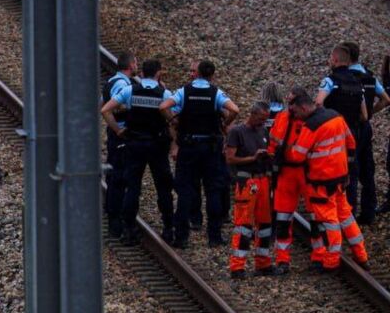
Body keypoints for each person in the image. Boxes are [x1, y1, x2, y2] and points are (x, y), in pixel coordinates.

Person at [159, 60, 240, 248]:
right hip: (210, 148)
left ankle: (182, 236)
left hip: (188, 146)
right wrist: (225, 124)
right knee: (213, 191)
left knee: (185, 190)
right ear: (211, 75)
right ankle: (214, 236)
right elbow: (235, 109)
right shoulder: (215, 93)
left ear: (197, 73)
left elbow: (163, 106)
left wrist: (173, 121)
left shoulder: (184, 91)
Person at [287, 90, 368, 271]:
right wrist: (348, 170)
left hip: (321, 182)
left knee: (329, 220)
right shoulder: (336, 117)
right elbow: (351, 143)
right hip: (340, 179)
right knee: (346, 217)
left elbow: (297, 157)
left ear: (303, 107)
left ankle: (331, 261)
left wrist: (292, 147)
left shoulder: (311, 127)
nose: (297, 117)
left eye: (297, 113)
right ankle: (361, 255)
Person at [101, 58, 175, 244]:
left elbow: (105, 110)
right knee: (163, 187)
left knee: (132, 187)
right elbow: (173, 120)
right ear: (158, 73)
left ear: (142, 72)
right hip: (157, 145)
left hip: (134, 144)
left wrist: (118, 130)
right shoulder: (164, 93)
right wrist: (175, 142)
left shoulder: (129, 90)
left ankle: (128, 230)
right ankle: (168, 228)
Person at [315, 44, 373, 222]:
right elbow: (364, 115)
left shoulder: (330, 80)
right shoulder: (358, 83)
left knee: (331, 175)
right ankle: (349, 217)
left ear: (335, 60)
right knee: (352, 176)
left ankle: (330, 216)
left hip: (333, 137)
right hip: (352, 136)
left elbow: (318, 103)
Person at [340, 42, 389, 223]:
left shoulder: (343, 77)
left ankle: (349, 214)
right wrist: (369, 114)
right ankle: (368, 213)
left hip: (348, 128)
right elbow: (385, 99)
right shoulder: (369, 77)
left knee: (351, 170)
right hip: (365, 128)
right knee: (368, 170)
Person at [224, 102, 273, 278]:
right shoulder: (237, 132)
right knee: (243, 225)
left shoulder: (263, 130)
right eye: (260, 119)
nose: (263, 123)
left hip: (262, 181)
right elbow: (230, 159)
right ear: (252, 114)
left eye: (265, 120)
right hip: (247, 182)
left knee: (265, 224)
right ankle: (237, 267)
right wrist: (252, 158)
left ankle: (263, 263)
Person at [268, 88, 312, 273]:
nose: (290, 106)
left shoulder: (311, 120)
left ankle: (319, 257)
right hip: (285, 172)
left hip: (306, 172)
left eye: (293, 102)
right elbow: (273, 142)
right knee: (283, 218)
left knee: (316, 216)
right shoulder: (283, 118)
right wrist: (271, 163)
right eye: (289, 102)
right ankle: (282, 260)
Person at [102, 52, 138, 239]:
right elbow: (114, 106)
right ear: (131, 65)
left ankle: (111, 211)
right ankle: (116, 222)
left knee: (114, 175)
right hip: (122, 135)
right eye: (136, 63)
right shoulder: (122, 84)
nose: (137, 66)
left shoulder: (112, 81)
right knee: (119, 178)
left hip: (116, 134)